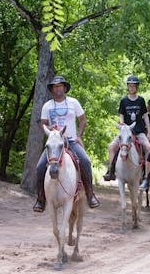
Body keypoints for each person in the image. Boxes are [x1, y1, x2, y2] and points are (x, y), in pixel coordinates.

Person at [33, 75, 100, 212]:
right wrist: (49, 130)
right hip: (54, 142)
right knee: (40, 167)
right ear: (52, 89)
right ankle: (41, 199)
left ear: (64, 88)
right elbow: (43, 124)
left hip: (70, 141)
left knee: (86, 162)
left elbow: (82, 120)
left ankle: (90, 194)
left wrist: (79, 136)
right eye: (55, 86)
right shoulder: (47, 105)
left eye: (60, 86)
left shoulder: (73, 102)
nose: (58, 89)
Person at [103, 75, 150, 181]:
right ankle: (111, 170)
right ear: (128, 87)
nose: (132, 88)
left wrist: (148, 131)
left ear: (137, 87)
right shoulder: (124, 101)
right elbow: (121, 115)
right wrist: (122, 125)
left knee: (148, 148)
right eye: (130, 86)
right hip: (126, 132)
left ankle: (148, 174)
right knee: (111, 147)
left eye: (134, 86)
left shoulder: (141, 100)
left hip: (139, 131)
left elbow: (145, 116)